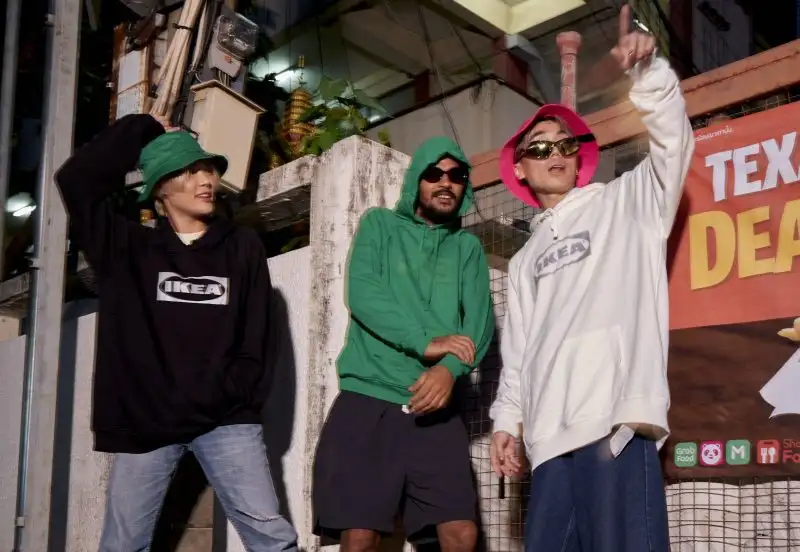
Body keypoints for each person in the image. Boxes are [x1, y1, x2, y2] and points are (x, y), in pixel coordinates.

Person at [488, 5, 695, 552]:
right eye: (539, 147)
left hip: (615, 424)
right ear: (521, 168)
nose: (554, 152)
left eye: (564, 144)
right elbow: (519, 352)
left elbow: (674, 146)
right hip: (549, 443)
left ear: (577, 157)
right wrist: (508, 420)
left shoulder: (627, 202)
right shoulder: (526, 258)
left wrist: (648, 74)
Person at [55, 113, 298, 552]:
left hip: (226, 420)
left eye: (208, 169)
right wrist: (143, 128)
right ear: (160, 188)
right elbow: (75, 181)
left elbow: (258, 337)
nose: (206, 180)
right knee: (123, 545)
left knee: (272, 539)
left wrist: (232, 393)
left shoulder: (241, 245)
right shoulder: (127, 248)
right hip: (147, 423)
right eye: (189, 171)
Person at [312, 137, 495, 552]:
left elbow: (479, 323)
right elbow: (363, 293)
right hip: (369, 398)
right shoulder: (380, 224)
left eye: (457, 175)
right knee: (360, 536)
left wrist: (449, 369)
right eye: (434, 173)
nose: (446, 183)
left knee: (461, 532)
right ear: (416, 181)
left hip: (435, 408)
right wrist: (425, 342)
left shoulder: (466, 248)